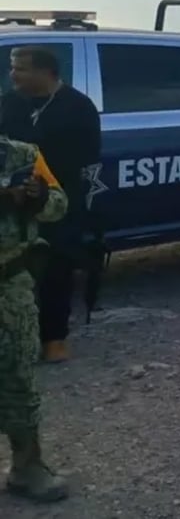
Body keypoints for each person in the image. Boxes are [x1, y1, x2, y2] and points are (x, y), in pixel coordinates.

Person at [1, 46, 101, 363]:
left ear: (46, 73)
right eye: (12, 67)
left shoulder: (78, 107)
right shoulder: (9, 103)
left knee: (56, 267)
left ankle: (54, 338)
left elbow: (87, 157)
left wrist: (44, 186)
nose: (12, 74)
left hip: (58, 197)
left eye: (21, 69)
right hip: (11, 202)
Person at [0, 134, 70, 502]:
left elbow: (59, 204)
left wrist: (36, 196)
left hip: (10, 285)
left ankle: (28, 466)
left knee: (19, 377)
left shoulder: (23, 155)